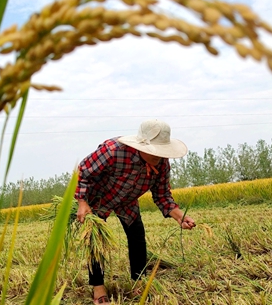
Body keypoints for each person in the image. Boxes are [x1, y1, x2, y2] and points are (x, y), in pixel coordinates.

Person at [75, 119, 196, 305]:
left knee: (137, 235)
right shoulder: (112, 151)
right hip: (98, 199)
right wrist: (82, 202)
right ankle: (98, 286)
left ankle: (139, 280)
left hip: (127, 201)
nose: (159, 156)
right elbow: (84, 170)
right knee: (95, 239)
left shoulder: (162, 165)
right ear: (141, 146)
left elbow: (162, 195)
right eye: (154, 151)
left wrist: (180, 217)